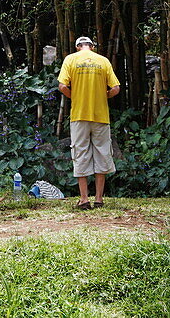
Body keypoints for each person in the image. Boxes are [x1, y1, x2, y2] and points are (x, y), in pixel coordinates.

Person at [58, 35, 120, 210]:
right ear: (92, 47)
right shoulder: (103, 61)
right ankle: (99, 199)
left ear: (78, 47)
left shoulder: (70, 59)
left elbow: (62, 86)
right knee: (102, 153)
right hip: (101, 116)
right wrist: (102, 96)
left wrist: (75, 96)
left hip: (79, 115)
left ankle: (84, 199)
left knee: (80, 154)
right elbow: (115, 89)